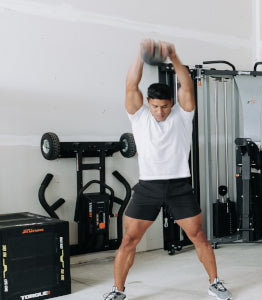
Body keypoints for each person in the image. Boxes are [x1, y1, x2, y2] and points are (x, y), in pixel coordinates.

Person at [104, 40, 233, 300]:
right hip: (148, 187)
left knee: (198, 235)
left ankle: (215, 283)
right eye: (154, 106)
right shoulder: (138, 116)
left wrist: (174, 56)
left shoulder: (183, 114)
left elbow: (186, 84)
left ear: (171, 103)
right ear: (147, 103)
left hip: (178, 186)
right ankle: (118, 290)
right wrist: (140, 56)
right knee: (129, 239)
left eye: (164, 106)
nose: (160, 112)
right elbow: (131, 85)